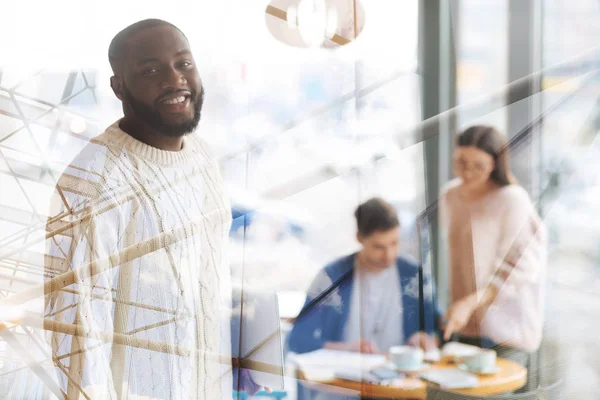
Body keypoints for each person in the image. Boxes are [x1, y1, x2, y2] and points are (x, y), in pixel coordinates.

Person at [38, 19, 262, 399]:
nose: (175, 80)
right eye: (151, 70)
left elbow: (207, 288)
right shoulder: (93, 179)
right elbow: (77, 335)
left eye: (184, 63)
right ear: (119, 86)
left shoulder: (203, 158)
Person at [287, 198, 440, 398]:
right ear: (360, 238)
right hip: (343, 386)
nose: (389, 255)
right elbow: (297, 339)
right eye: (378, 247)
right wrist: (345, 348)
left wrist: (427, 339)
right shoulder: (331, 277)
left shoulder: (414, 275)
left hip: (398, 386)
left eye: (394, 243)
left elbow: (436, 329)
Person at [440, 125, 547, 390]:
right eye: (460, 162)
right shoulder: (450, 195)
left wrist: (470, 301)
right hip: (466, 328)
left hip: (507, 332)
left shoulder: (512, 199)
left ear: (495, 164)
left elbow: (520, 268)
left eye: (478, 166)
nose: (466, 172)